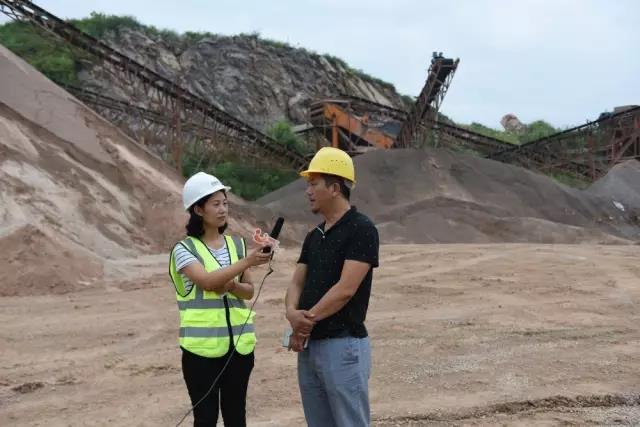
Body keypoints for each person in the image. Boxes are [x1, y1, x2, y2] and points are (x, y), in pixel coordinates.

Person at [284, 147, 380, 427]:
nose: (308, 191)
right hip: (310, 345)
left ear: (335, 188)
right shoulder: (314, 236)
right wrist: (292, 313)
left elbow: (345, 289)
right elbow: (297, 281)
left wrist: (305, 322)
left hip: (342, 345)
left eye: (314, 184)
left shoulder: (361, 229)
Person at [169, 171, 272, 427]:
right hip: (201, 351)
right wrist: (247, 262)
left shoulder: (236, 246)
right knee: (205, 419)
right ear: (198, 209)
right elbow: (207, 282)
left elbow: (248, 291)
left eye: (225, 203)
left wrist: (234, 285)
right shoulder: (184, 249)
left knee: (236, 417)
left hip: (239, 348)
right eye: (215, 204)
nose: (223, 209)